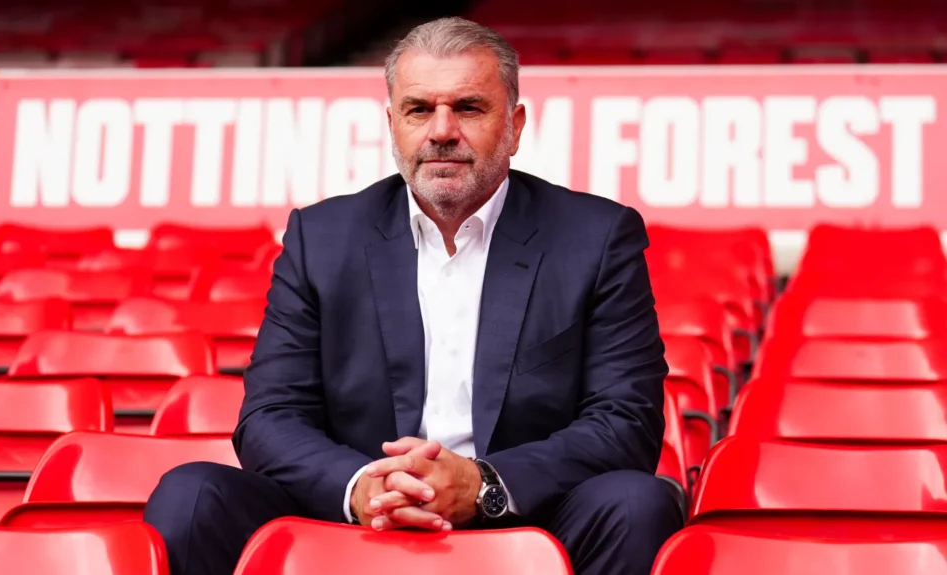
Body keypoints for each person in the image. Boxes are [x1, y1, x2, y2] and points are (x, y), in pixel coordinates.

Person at [143, 16, 683, 575]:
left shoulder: (596, 237)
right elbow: (270, 416)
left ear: (515, 126)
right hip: (351, 520)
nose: (442, 130)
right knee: (193, 496)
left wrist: (482, 485)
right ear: (393, 124)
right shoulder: (321, 238)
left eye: (468, 108)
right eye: (419, 109)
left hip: (524, 519)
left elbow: (626, 421)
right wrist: (362, 487)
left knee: (635, 505)